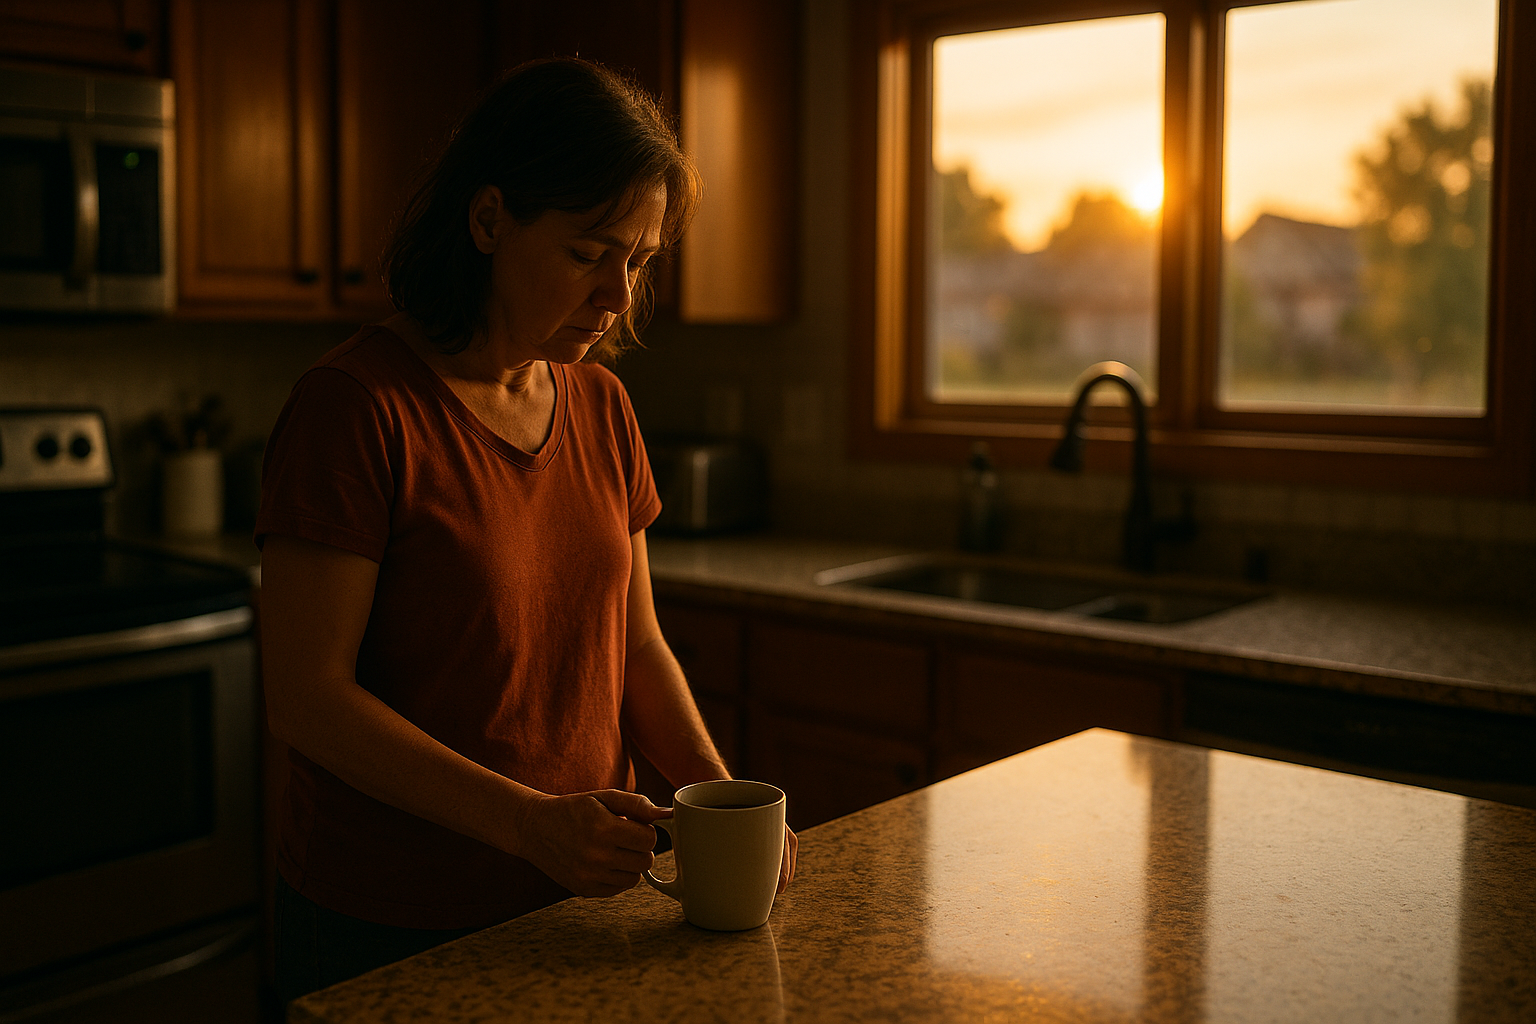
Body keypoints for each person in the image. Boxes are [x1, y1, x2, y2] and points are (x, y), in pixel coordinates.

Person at [256, 57, 797, 1006]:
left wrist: (722, 799)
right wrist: (528, 823)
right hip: (389, 928)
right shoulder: (355, 410)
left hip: (579, 912)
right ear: (489, 220)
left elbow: (636, 647)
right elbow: (308, 698)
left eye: (639, 260)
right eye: (591, 253)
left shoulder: (605, 407)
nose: (618, 295)